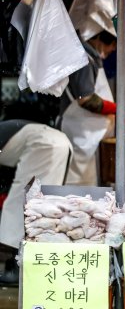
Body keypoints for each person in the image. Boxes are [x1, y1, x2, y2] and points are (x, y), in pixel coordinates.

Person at [57, 30, 125, 186]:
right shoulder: (83, 58)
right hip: (79, 137)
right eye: (113, 44)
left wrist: (118, 119)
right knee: (76, 192)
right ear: (99, 38)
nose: (113, 49)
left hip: (91, 140)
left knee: (90, 190)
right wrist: (119, 109)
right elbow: (86, 100)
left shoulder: (93, 59)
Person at [0, 120, 72, 284]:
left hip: (45, 145)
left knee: (24, 204)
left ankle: (20, 268)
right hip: (58, 143)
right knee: (43, 207)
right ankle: (28, 265)